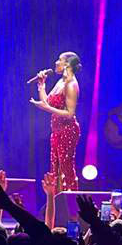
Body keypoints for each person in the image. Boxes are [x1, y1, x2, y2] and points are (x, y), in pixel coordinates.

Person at [31, 52, 82, 192]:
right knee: (55, 171)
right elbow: (47, 102)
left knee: (66, 169)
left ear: (67, 64)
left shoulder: (71, 84)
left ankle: (71, 202)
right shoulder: (61, 82)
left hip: (68, 131)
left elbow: (70, 113)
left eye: (59, 60)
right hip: (56, 131)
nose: (56, 62)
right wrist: (41, 84)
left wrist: (47, 108)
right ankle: (55, 201)